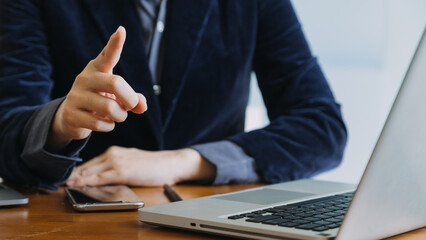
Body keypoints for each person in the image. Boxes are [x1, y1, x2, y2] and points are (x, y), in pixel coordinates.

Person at [0, 0, 347, 190]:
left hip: (208, 220)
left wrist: (185, 162)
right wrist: (59, 124)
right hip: (77, 218)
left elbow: (322, 128)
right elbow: (7, 124)